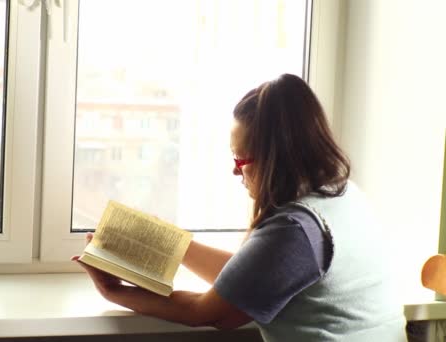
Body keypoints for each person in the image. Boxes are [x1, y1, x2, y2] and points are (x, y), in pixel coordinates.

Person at [73, 74, 407, 341]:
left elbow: (213, 313)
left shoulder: (294, 230)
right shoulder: (343, 195)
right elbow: (255, 275)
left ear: (276, 159)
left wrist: (113, 291)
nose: (236, 170)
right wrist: (174, 243)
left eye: (241, 158)